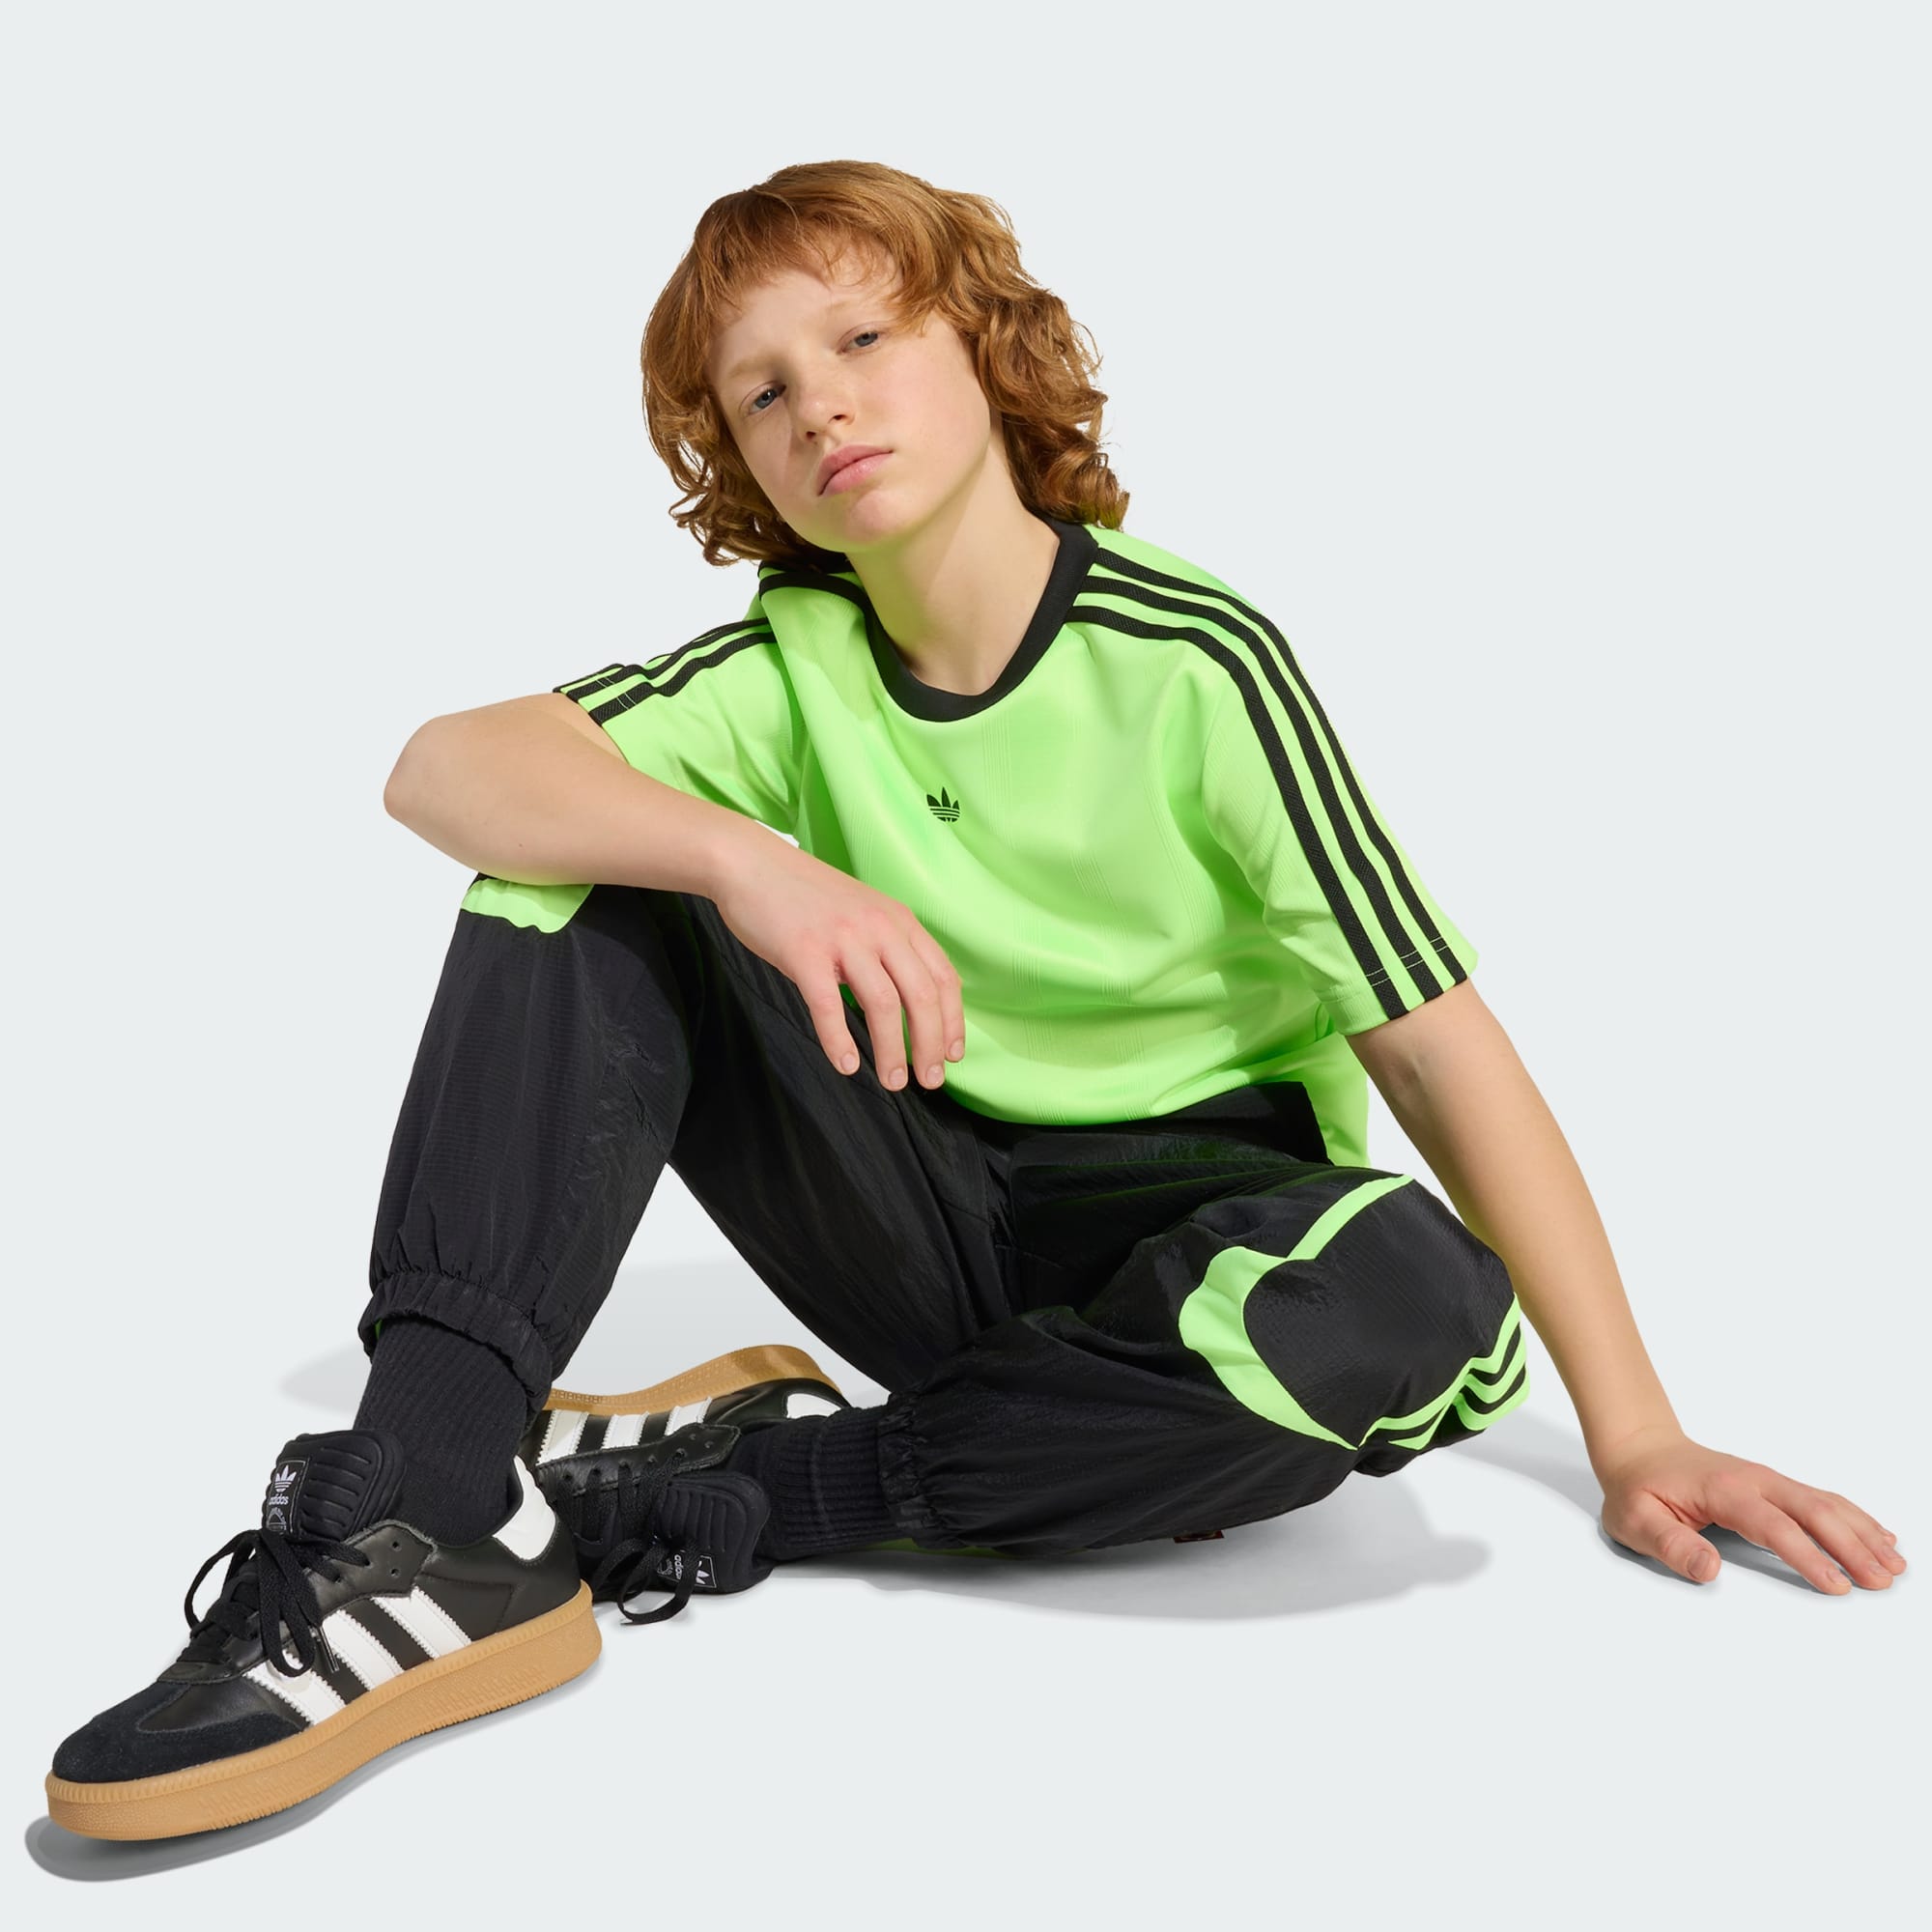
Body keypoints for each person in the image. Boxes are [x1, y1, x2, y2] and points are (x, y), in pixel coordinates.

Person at [44, 158, 1905, 1842]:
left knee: (1415, 1299)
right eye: (763, 392)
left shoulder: (1193, 663)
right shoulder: (792, 667)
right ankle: (424, 1496)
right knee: (575, 854)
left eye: (862, 339)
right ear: (742, 464)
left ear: (987, 351)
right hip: (923, 1215)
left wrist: (1638, 1435)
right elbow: (444, 767)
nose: (820, 402)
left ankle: (725, 1494)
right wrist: (754, 863)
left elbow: (1432, 1041)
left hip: (1202, 1244)